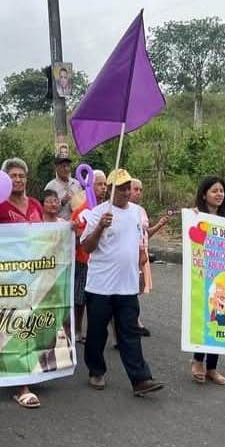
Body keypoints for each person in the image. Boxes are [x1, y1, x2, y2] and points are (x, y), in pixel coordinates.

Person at [80, 168, 163, 396]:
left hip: (127, 286)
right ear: (110, 190)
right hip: (101, 286)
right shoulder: (98, 213)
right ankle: (96, 370)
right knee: (97, 333)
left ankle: (140, 379)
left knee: (130, 333)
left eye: (128, 188)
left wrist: (141, 260)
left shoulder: (136, 212)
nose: (126, 192)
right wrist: (100, 227)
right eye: (121, 189)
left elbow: (138, 239)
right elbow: (86, 247)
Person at [0, 157, 43, 407]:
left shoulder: (36, 204)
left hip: (36, 273)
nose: (18, 180)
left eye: (21, 176)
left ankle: (28, 370)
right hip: (9, 277)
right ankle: (20, 384)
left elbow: (47, 234)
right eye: (13, 176)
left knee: (32, 321)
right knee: (14, 323)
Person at [190, 176, 225, 384]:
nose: (219, 194)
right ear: (204, 194)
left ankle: (212, 368)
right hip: (202, 276)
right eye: (214, 191)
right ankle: (198, 361)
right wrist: (192, 218)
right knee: (203, 317)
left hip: (222, 278)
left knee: (220, 318)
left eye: (221, 191)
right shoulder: (195, 216)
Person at [129, 178, 172, 337]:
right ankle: (134, 321)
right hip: (131, 254)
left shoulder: (141, 210)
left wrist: (159, 225)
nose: (138, 192)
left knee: (137, 289)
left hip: (143, 253)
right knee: (130, 289)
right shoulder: (124, 210)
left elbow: (145, 234)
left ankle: (133, 320)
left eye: (141, 190)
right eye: (135, 189)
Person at [70, 171, 107, 342]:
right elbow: (74, 235)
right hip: (83, 259)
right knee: (80, 299)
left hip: (101, 261)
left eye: (105, 184)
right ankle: (77, 330)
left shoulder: (107, 209)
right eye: (99, 184)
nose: (103, 188)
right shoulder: (83, 210)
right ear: (90, 186)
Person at [44, 153, 82, 219]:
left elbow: (82, 203)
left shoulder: (76, 183)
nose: (66, 169)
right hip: (59, 224)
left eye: (68, 166)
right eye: (63, 166)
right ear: (56, 168)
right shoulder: (51, 186)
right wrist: (62, 203)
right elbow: (46, 211)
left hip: (77, 223)